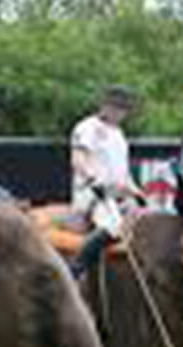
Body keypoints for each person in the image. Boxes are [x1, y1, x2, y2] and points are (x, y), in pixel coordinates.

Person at [68, 85, 147, 279]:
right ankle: (76, 269)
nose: (119, 112)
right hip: (93, 192)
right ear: (104, 105)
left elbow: (123, 172)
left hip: (117, 193)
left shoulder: (119, 135)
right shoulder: (87, 127)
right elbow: (78, 159)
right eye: (116, 106)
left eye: (123, 108)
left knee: (147, 220)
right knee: (114, 227)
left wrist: (135, 191)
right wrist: (93, 180)